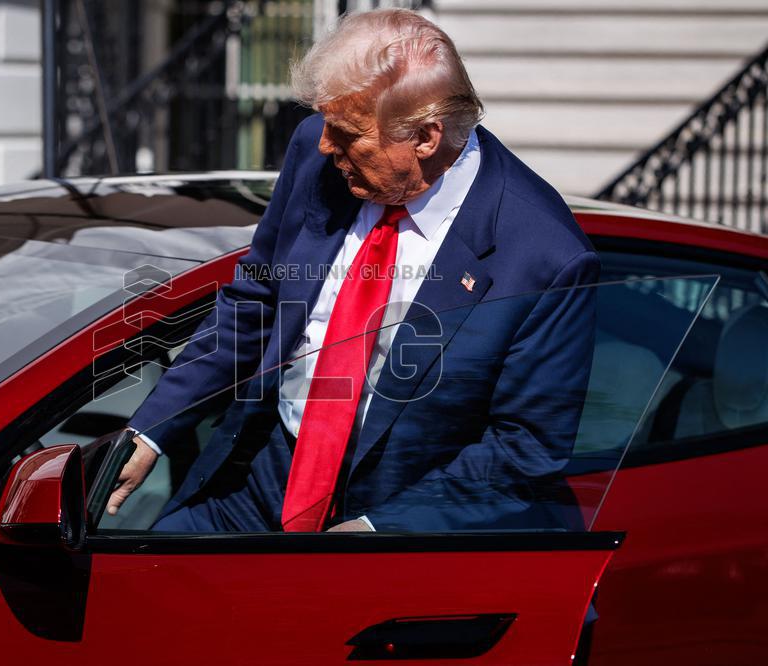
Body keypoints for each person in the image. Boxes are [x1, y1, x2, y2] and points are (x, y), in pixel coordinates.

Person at [108, 8, 599, 533]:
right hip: (261, 475)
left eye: (346, 134)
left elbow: (525, 446)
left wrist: (378, 531)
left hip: (402, 507)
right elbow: (256, 300)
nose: (325, 146)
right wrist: (153, 429)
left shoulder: (545, 255)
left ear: (427, 138)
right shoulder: (315, 152)